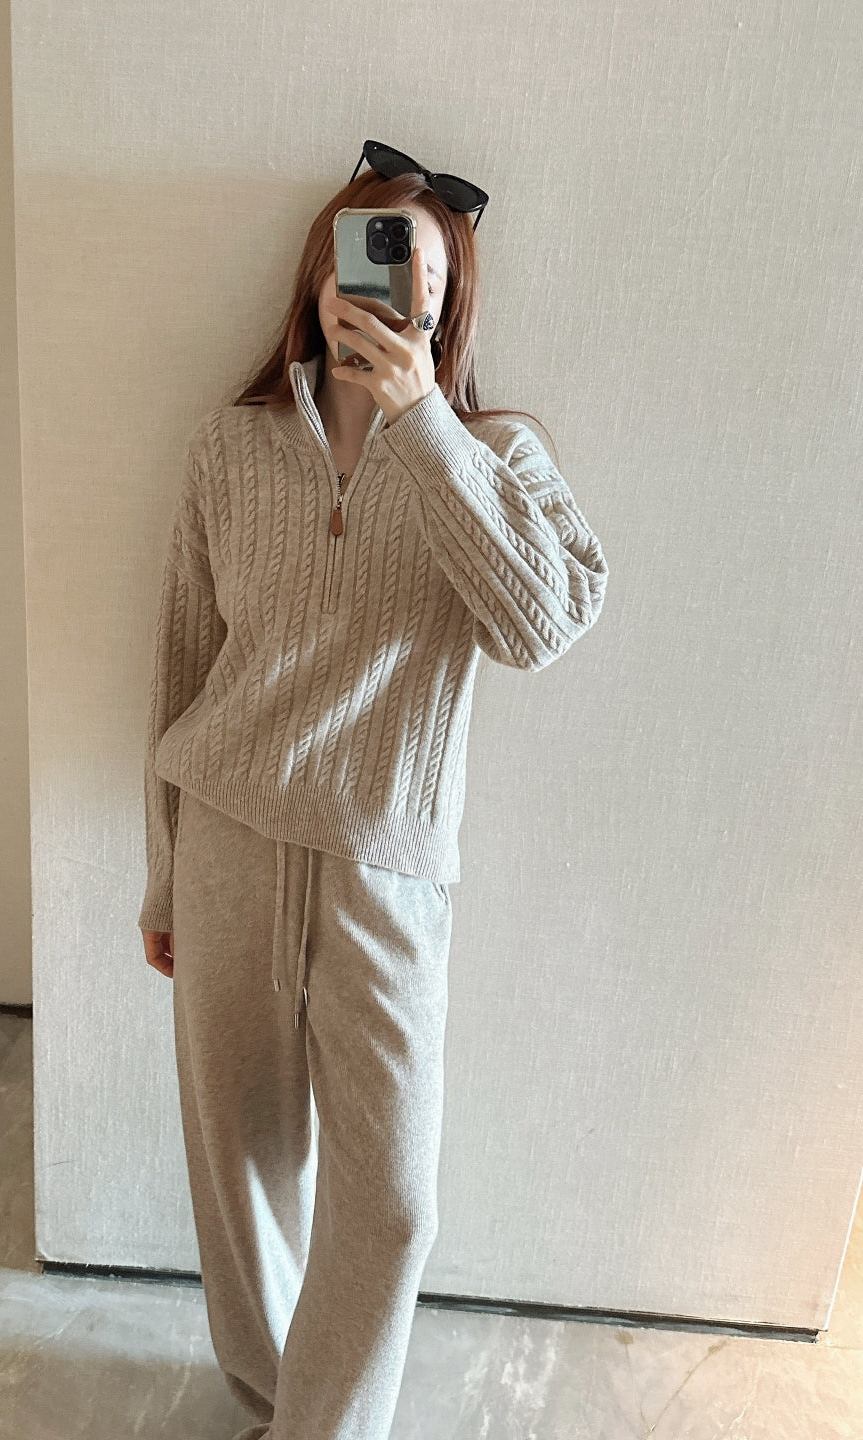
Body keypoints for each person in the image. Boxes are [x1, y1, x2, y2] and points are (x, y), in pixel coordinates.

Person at [138, 141, 609, 1440]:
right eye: (372, 258)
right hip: (229, 844)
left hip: (387, 876)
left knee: (393, 1206)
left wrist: (423, 427)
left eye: (429, 277)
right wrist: (165, 875)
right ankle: (269, 1408)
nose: (400, 291)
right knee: (241, 1171)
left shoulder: (496, 452)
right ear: (322, 274)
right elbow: (179, 668)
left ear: (450, 305)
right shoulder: (232, 448)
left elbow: (541, 624)